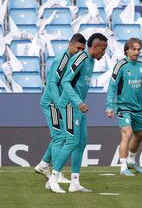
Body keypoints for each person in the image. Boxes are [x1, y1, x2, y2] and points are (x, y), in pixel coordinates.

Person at [46, 33, 108, 193]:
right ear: (94, 47)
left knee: (82, 142)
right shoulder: (81, 58)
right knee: (72, 142)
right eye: (103, 49)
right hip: (69, 105)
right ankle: (53, 179)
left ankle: (75, 182)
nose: (104, 53)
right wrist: (77, 102)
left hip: (79, 107)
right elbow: (65, 81)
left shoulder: (92, 61)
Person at [35, 33, 86, 184]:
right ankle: (56, 174)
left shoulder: (70, 59)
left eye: (82, 49)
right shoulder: (63, 59)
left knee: (62, 136)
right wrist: (59, 104)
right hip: (52, 103)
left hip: (56, 102)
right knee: (59, 137)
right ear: (71, 45)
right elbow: (52, 83)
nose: (79, 52)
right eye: (78, 48)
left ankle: (44, 164)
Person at [105, 38, 142, 176]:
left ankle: (131, 161)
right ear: (127, 50)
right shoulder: (120, 65)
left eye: (138, 49)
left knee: (140, 136)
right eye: (133, 49)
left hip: (137, 107)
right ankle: (123, 167)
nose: (136, 52)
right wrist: (110, 106)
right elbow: (112, 87)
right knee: (127, 133)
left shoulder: (141, 65)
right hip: (123, 107)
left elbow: (139, 87)